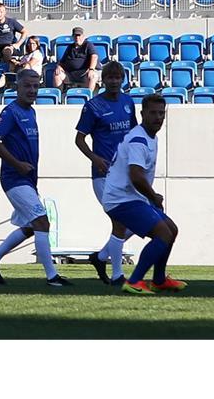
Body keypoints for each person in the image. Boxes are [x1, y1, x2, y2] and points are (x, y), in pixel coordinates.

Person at [0, 69, 74, 287]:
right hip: (14, 178)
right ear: (17, 87)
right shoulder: (10, 112)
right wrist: (17, 164)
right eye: (27, 86)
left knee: (31, 227)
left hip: (27, 179)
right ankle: (52, 276)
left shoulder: (31, 112)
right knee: (42, 222)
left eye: (35, 86)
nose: (32, 90)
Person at [101, 94, 187, 295]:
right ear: (142, 114)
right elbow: (136, 176)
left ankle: (158, 280)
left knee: (171, 229)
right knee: (163, 234)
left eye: (161, 113)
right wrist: (153, 196)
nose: (158, 117)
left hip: (131, 197)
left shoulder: (150, 136)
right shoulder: (139, 139)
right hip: (121, 199)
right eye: (153, 113)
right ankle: (134, 281)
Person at [72, 61, 140, 285]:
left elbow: (133, 135)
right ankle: (117, 275)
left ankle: (101, 257)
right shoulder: (93, 106)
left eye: (117, 77)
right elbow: (79, 139)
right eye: (110, 78)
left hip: (126, 172)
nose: (113, 81)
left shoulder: (128, 102)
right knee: (120, 221)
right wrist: (95, 158)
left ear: (122, 79)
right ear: (103, 80)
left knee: (139, 222)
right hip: (104, 174)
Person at [54, 26, 100, 92]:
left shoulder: (88, 45)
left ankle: (89, 97)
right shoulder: (70, 47)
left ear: (83, 36)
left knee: (93, 76)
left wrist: (91, 69)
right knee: (57, 74)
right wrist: (58, 66)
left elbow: (94, 56)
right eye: (75, 36)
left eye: (79, 35)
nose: (77, 38)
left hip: (85, 73)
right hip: (71, 74)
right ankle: (59, 97)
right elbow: (62, 61)